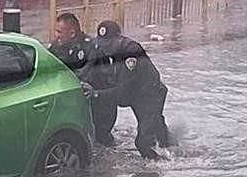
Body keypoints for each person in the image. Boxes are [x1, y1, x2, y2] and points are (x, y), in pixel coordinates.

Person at [87, 20, 173, 160]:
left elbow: (123, 91)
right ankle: (171, 148)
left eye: (110, 44)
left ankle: (159, 171)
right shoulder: (103, 52)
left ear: (120, 39)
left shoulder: (130, 53)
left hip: (149, 96)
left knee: (143, 142)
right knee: (157, 129)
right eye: (104, 44)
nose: (106, 48)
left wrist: (96, 94)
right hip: (134, 95)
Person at [49, 13, 117, 146]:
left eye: (59, 31)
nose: (56, 35)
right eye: (55, 31)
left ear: (72, 33)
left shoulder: (91, 47)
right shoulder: (56, 46)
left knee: (101, 139)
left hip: (101, 101)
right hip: (80, 100)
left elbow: (85, 75)